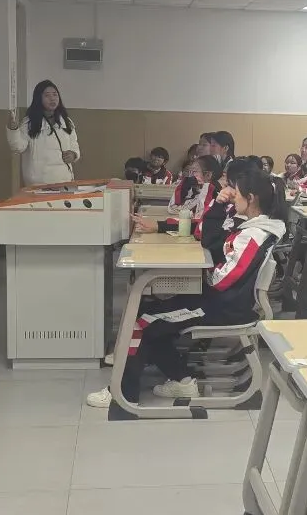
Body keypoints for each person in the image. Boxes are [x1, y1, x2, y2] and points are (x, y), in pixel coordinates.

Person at [87, 168, 287, 415]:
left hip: (224, 307)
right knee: (145, 310)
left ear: (251, 198)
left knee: (142, 321)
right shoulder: (252, 227)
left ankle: (123, 393)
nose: (232, 196)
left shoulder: (254, 234)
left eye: (236, 192)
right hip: (221, 300)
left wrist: (205, 271)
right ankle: (182, 380)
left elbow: (221, 280)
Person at [6, 80, 79, 186]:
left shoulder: (66, 122)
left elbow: (74, 145)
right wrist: (13, 129)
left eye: (55, 94)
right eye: (47, 95)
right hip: (38, 185)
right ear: (38, 99)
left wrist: (74, 154)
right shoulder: (29, 123)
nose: (52, 98)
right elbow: (18, 147)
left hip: (64, 182)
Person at [133, 155, 222, 236]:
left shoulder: (211, 190)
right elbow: (174, 208)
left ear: (208, 175)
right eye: (190, 172)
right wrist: (186, 184)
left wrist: (158, 226)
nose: (191, 175)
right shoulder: (201, 189)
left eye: (194, 171)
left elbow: (199, 224)